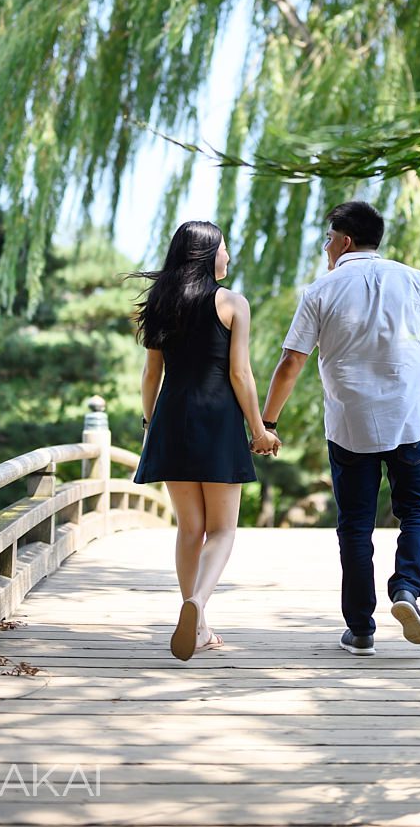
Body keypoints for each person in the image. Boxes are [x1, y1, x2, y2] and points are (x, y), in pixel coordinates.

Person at [262, 200, 420, 656]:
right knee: (418, 511)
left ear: (344, 240)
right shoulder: (414, 279)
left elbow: (292, 361)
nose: (326, 248)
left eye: (329, 239)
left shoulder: (320, 291)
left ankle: (361, 629)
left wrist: (268, 421)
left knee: (355, 525)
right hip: (410, 417)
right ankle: (407, 589)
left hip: (350, 424)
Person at [132, 221, 280, 661]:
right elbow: (240, 374)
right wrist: (260, 429)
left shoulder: (161, 304)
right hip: (218, 420)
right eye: (224, 250)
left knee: (190, 528)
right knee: (221, 530)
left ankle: (198, 624)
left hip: (172, 419)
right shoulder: (233, 303)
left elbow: (150, 375)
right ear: (207, 254)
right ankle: (197, 605)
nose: (228, 259)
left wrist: (149, 424)